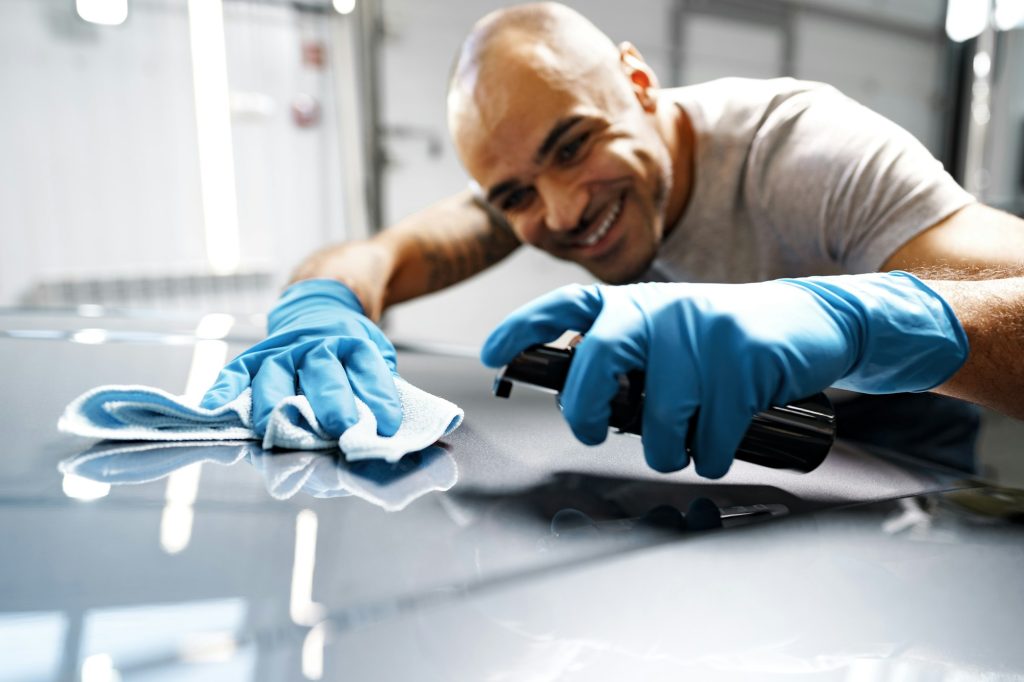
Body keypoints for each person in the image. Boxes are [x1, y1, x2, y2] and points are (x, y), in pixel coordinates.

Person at [202, 3, 1024, 478]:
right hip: (729, 452)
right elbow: (374, 259)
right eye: (517, 193)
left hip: (893, 444)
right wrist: (318, 304)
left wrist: (858, 324)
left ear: (638, 84)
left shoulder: (807, 153)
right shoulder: (543, 190)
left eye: (572, 145)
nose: (560, 211)